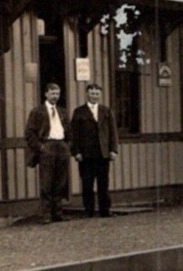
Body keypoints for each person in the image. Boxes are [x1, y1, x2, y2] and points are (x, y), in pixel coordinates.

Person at [69, 82, 119, 217]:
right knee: (87, 184)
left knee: (103, 184)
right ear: (87, 94)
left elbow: (112, 132)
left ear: (100, 95)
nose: (94, 96)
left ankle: (105, 210)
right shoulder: (79, 112)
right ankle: (88, 210)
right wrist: (76, 152)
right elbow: (74, 134)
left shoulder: (106, 111)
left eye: (97, 94)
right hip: (86, 155)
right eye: (92, 93)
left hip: (103, 154)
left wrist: (113, 150)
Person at [25, 83, 71, 222]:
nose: (55, 96)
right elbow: (29, 133)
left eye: (57, 93)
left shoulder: (63, 112)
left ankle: (58, 213)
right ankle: (46, 215)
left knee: (61, 182)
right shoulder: (37, 111)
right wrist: (41, 147)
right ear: (46, 94)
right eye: (52, 93)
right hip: (47, 146)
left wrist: (68, 145)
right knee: (47, 182)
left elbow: (69, 132)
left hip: (62, 146)